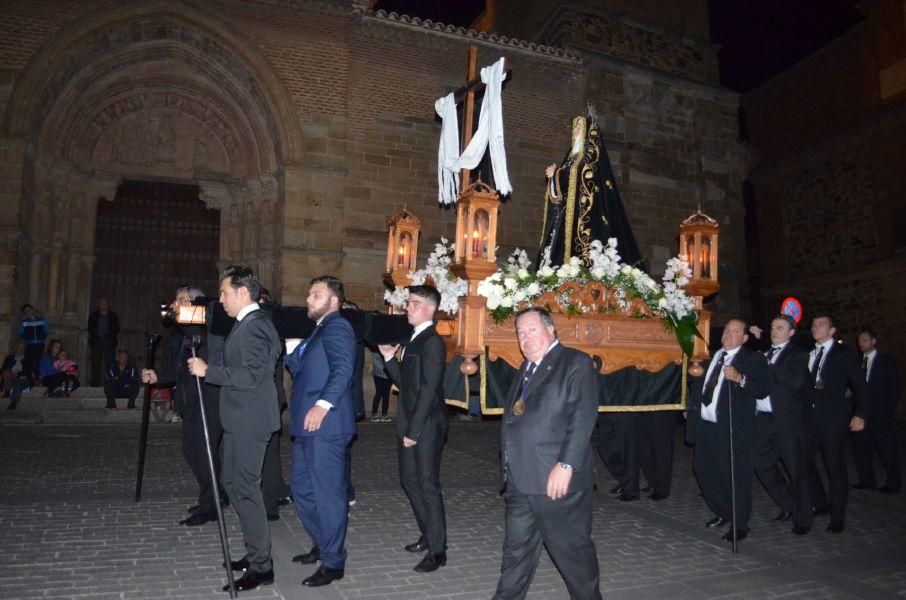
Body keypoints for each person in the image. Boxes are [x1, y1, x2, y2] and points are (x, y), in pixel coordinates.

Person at [492, 307, 602, 600]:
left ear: (551, 330)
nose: (525, 338)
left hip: (556, 481)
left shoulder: (574, 362)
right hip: (520, 479)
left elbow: (583, 417)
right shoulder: (525, 369)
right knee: (516, 552)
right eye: (520, 333)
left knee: (572, 555)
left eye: (532, 330)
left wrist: (566, 464)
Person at [188, 266, 281, 592]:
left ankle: (262, 566)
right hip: (241, 420)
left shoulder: (255, 327)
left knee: (244, 488)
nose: (222, 299)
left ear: (243, 292)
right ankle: (255, 552)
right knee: (232, 482)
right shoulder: (247, 324)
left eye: (225, 293)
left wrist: (208, 371)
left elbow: (252, 377)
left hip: (250, 421)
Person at [285, 275, 357, 588]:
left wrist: (324, 404)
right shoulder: (318, 330)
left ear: (333, 301)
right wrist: (293, 353)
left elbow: (344, 368)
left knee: (328, 495)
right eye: (309, 293)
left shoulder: (337, 326)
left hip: (325, 425)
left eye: (316, 294)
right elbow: (305, 373)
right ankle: (322, 542)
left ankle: (333, 561)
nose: (308, 299)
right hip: (306, 425)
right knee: (301, 488)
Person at [379, 285, 449, 573]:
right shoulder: (413, 338)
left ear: (431, 309)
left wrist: (415, 431)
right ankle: (428, 534)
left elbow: (430, 390)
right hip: (410, 422)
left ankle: (438, 550)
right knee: (409, 480)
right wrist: (387, 358)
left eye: (415, 303)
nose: (409, 307)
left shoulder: (432, 342)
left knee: (428, 485)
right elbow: (407, 385)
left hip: (426, 425)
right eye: (409, 303)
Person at [141, 286, 224, 527]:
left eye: (183, 300)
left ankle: (210, 505)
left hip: (208, 402)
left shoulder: (206, 327)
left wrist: (183, 309)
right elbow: (181, 370)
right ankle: (215, 494)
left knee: (204, 453)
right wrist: (158, 378)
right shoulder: (187, 335)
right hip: (190, 402)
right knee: (191, 451)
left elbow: (192, 327)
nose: (177, 304)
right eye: (176, 300)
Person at [685, 319, 769, 543]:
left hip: (733, 429)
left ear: (744, 338)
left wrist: (740, 379)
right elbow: (699, 385)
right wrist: (692, 408)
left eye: (735, 331)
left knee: (734, 477)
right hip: (706, 427)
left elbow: (762, 390)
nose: (728, 334)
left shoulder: (752, 359)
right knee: (703, 471)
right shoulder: (711, 356)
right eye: (726, 330)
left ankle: (740, 524)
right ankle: (723, 512)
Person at [536, 112, 642, 269]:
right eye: (573, 130)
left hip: (587, 213)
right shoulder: (571, 157)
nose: (574, 133)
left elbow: (580, 174)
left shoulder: (590, 154)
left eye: (578, 129)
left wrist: (557, 173)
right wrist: (554, 178)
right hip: (567, 216)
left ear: (586, 131)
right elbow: (562, 190)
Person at [802, 314, 867, 533]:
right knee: (803, 461)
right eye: (813, 325)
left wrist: (860, 414)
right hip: (809, 419)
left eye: (821, 325)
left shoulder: (844, 354)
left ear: (832, 331)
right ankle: (820, 501)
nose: (815, 328)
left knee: (835, 466)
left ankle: (837, 516)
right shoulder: (809, 354)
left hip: (833, 419)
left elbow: (860, 386)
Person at [751, 315, 813, 535]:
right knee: (760, 464)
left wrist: (770, 365)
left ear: (791, 332)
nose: (774, 331)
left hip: (787, 421)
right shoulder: (766, 352)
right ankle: (788, 504)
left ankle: (804, 519)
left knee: (796, 470)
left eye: (780, 328)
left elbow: (795, 383)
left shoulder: (798, 354)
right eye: (772, 327)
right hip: (764, 419)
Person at [852, 328, 901, 493]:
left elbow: (894, 388)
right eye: (859, 341)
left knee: (886, 450)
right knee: (861, 448)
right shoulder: (858, 363)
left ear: (873, 342)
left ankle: (894, 483)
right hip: (862, 415)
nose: (860, 344)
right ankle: (866, 480)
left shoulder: (886, 361)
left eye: (864, 340)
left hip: (881, 414)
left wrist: (888, 411)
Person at [87, 297, 120, 386]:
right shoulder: (93, 315)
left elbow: (117, 328)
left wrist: (111, 336)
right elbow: (90, 327)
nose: (104, 305)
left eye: (105, 303)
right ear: (99, 305)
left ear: (108, 305)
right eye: (102, 303)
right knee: (96, 362)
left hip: (109, 340)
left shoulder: (113, 316)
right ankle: (95, 383)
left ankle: (109, 382)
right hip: (97, 340)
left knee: (109, 363)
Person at [19, 304, 48, 382]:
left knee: (39, 361)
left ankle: (37, 379)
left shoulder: (41, 319)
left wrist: (43, 336)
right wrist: (26, 337)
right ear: (25, 313)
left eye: (30, 309)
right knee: (28, 361)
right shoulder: (25, 322)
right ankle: (28, 378)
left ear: (33, 309)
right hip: (30, 344)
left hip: (40, 344)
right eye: (26, 311)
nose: (29, 312)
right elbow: (21, 333)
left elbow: (46, 329)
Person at [2, 341, 32, 410]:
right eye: (19, 347)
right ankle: (9, 389)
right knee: (7, 372)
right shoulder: (9, 358)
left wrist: (17, 375)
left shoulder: (27, 359)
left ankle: (14, 402)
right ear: (15, 348)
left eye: (23, 347)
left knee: (17, 384)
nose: (21, 349)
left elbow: (27, 371)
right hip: (10, 376)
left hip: (22, 378)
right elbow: (3, 369)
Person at [370, 349, 392, 421]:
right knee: (378, 394)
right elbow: (375, 361)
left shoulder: (389, 346)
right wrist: (386, 368)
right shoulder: (376, 348)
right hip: (379, 375)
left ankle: (384, 414)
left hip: (388, 376)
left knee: (386, 395)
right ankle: (374, 414)